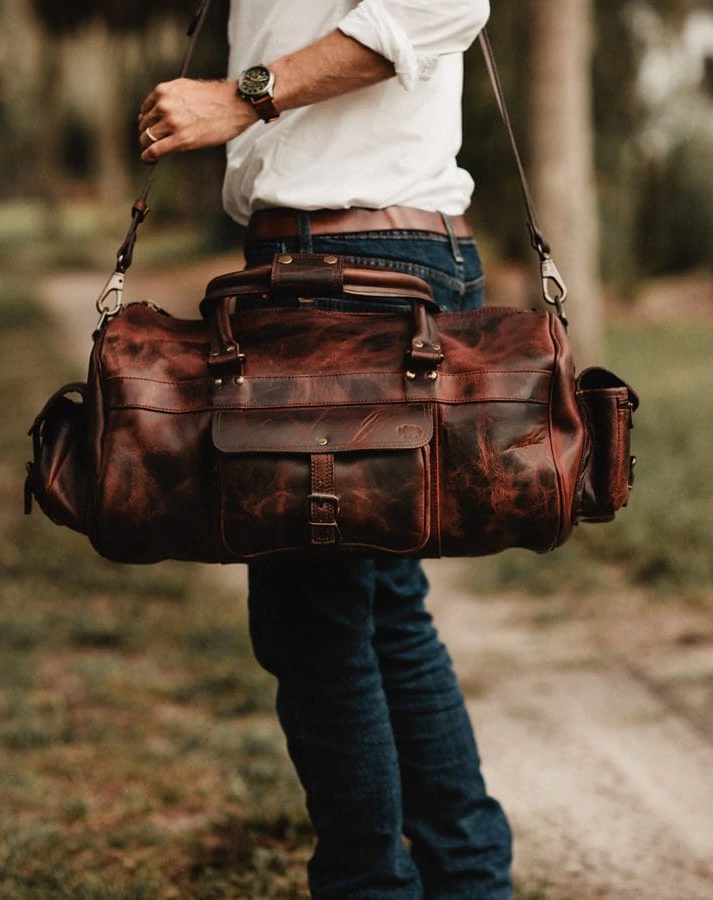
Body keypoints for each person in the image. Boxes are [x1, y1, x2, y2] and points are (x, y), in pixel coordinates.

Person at [137, 2, 512, 897]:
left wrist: (240, 97)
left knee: (313, 619)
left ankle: (379, 885)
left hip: (344, 269)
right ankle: (468, 881)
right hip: (362, 254)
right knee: (380, 606)